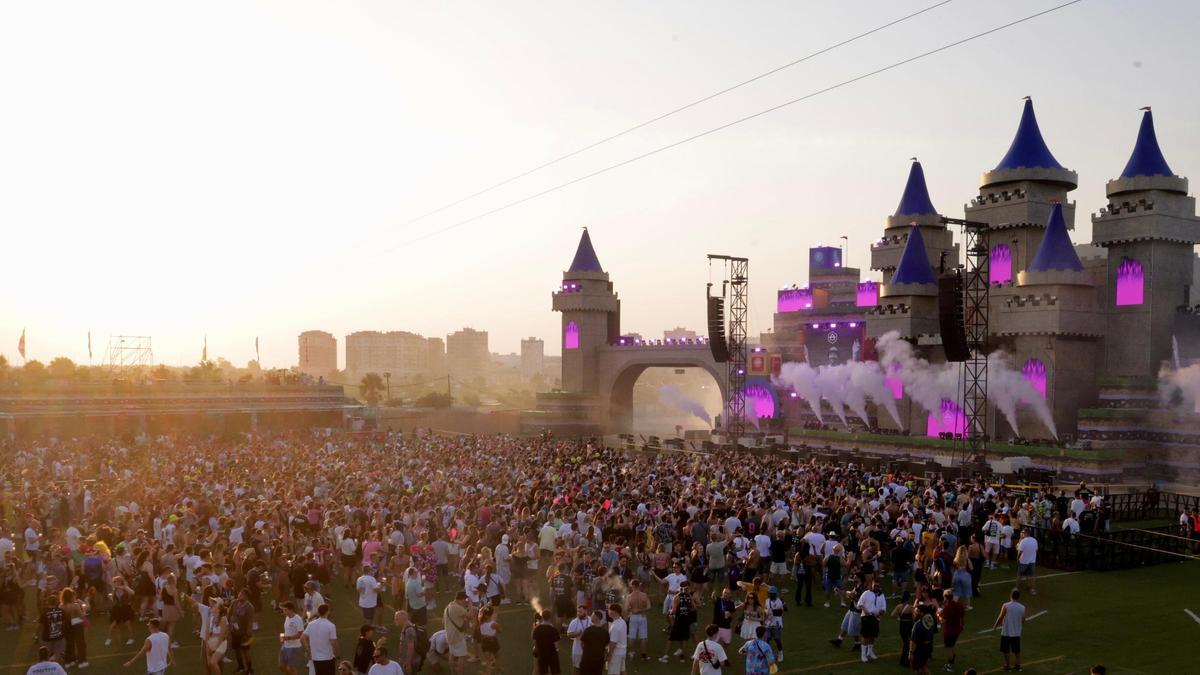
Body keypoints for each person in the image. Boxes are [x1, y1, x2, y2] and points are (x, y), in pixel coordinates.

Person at [993, 589, 1027, 672]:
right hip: (1016, 632)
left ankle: (1007, 666)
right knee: (1016, 650)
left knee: (1005, 650)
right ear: (1018, 597)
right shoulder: (1022, 607)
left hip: (1006, 632)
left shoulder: (1006, 605)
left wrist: (995, 626)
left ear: (1010, 596)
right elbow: (1023, 620)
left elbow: (1001, 617)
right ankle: (1018, 666)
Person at [303, 603, 339, 675]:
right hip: (328, 658)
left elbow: (302, 638)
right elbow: (334, 643)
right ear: (328, 612)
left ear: (318, 612)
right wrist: (337, 656)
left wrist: (308, 650)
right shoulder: (331, 626)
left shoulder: (311, 624)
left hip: (316, 658)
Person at [857, 579, 887, 663]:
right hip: (866, 617)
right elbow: (860, 604)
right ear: (872, 585)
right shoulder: (866, 593)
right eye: (875, 586)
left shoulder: (881, 595)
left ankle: (869, 652)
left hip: (875, 618)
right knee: (865, 636)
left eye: (878, 586)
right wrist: (866, 611)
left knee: (873, 636)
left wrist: (879, 613)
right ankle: (863, 655)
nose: (876, 587)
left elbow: (884, 608)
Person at [441, 592, 471, 675]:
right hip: (457, 637)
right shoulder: (457, 608)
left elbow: (443, 622)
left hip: (449, 636)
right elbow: (470, 616)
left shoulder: (448, 606)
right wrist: (470, 604)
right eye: (465, 600)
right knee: (462, 656)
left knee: (452, 654)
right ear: (461, 599)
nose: (465, 602)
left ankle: (452, 672)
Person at [939, 589, 965, 672]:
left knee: (948, 648)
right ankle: (951, 662)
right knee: (951, 646)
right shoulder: (958, 604)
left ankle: (950, 665)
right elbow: (962, 614)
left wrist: (938, 616)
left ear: (945, 597)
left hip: (950, 630)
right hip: (957, 629)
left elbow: (943, 621)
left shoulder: (947, 608)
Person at [908, 604, 938, 675]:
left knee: (917, 668)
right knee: (923, 666)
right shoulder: (930, 620)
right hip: (928, 646)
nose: (914, 613)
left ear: (922, 613)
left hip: (919, 649)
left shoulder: (918, 625)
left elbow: (913, 641)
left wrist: (911, 653)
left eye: (916, 611)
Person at [624, 580, 650, 662]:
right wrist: (641, 610)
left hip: (633, 617)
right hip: (642, 616)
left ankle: (631, 654)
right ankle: (643, 656)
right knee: (643, 636)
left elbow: (627, 608)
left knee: (632, 636)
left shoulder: (629, 596)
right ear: (639, 585)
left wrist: (633, 610)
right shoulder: (644, 595)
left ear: (632, 586)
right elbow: (649, 607)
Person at [532, 610, 562, 675]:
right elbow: (556, 645)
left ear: (542, 617)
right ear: (550, 617)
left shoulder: (537, 629)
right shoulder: (554, 630)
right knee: (555, 672)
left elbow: (534, 642)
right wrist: (557, 651)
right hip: (552, 654)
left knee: (543, 672)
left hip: (541, 654)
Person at [279, 601, 305, 675]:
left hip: (294, 647)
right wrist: (285, 637)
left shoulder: (298, 619)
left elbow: (300, 634)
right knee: (281, 666)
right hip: (285, 645)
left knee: (291, 668)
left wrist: (288, 638)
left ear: (291, 610)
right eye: (283, 609)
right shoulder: (287, 617)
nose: (284, 611)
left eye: (285, 610)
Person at [579, 610, 609, 675]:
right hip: (599, 660)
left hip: (587, 659)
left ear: (596, 617)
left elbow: (582, 644)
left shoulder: (588, 630)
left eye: (592, 615)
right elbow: (606, 646)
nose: (590, 616)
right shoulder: (605, 632)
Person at [477, 604, 502, 675]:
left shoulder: (480, 621)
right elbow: (500, 631)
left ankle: (487, 673)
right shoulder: (494, 624)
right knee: (497, 658)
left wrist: (484, 607)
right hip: (493, 641)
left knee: (488, 661)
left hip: (484, 642)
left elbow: (480, 611)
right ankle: (498, 672)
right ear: (491, 615)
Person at [567, 604, 592, 671]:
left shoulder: (591, 620)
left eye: (580, 612)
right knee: (577, 669)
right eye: (577, 612)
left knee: (588, 669)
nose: (578, 613)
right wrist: (576, 634)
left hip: (589, 650)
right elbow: (569, 634)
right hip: (577, 650)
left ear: (586, 611)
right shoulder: (574, 622)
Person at [605, 603, 627, 675]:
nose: (608, 611)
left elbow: (613, 643)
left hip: (616, 653)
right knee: (622, 671)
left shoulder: (615, 627)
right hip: (623, 651)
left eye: (609, 609)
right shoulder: (622, 621)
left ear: (613, 612)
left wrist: (609, 654)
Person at [1016, 530, 1038, 596]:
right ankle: (1032, 589)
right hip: (1032, 561)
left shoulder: (1023, 541)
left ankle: (1017, 588)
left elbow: (1019, 552)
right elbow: (1036, 550)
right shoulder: (1034, 540)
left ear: (1025, 533)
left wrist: (1017, 559)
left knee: (1019, 575)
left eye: (1023, 533)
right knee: (1031, 576)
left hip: (1023, 561)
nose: (1022, 534)